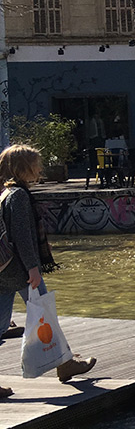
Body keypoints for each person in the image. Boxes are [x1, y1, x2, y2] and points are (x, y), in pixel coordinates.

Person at [0, 145, 95, 399]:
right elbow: (21, 235)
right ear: (24, 168)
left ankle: (65, 363)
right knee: (45, 315)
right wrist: (33, 267)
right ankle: (65, 364)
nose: (40, 168)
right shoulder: (18, 195)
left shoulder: (5, 193)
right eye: (36, 164)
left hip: (4, 267)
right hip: (20, 269)